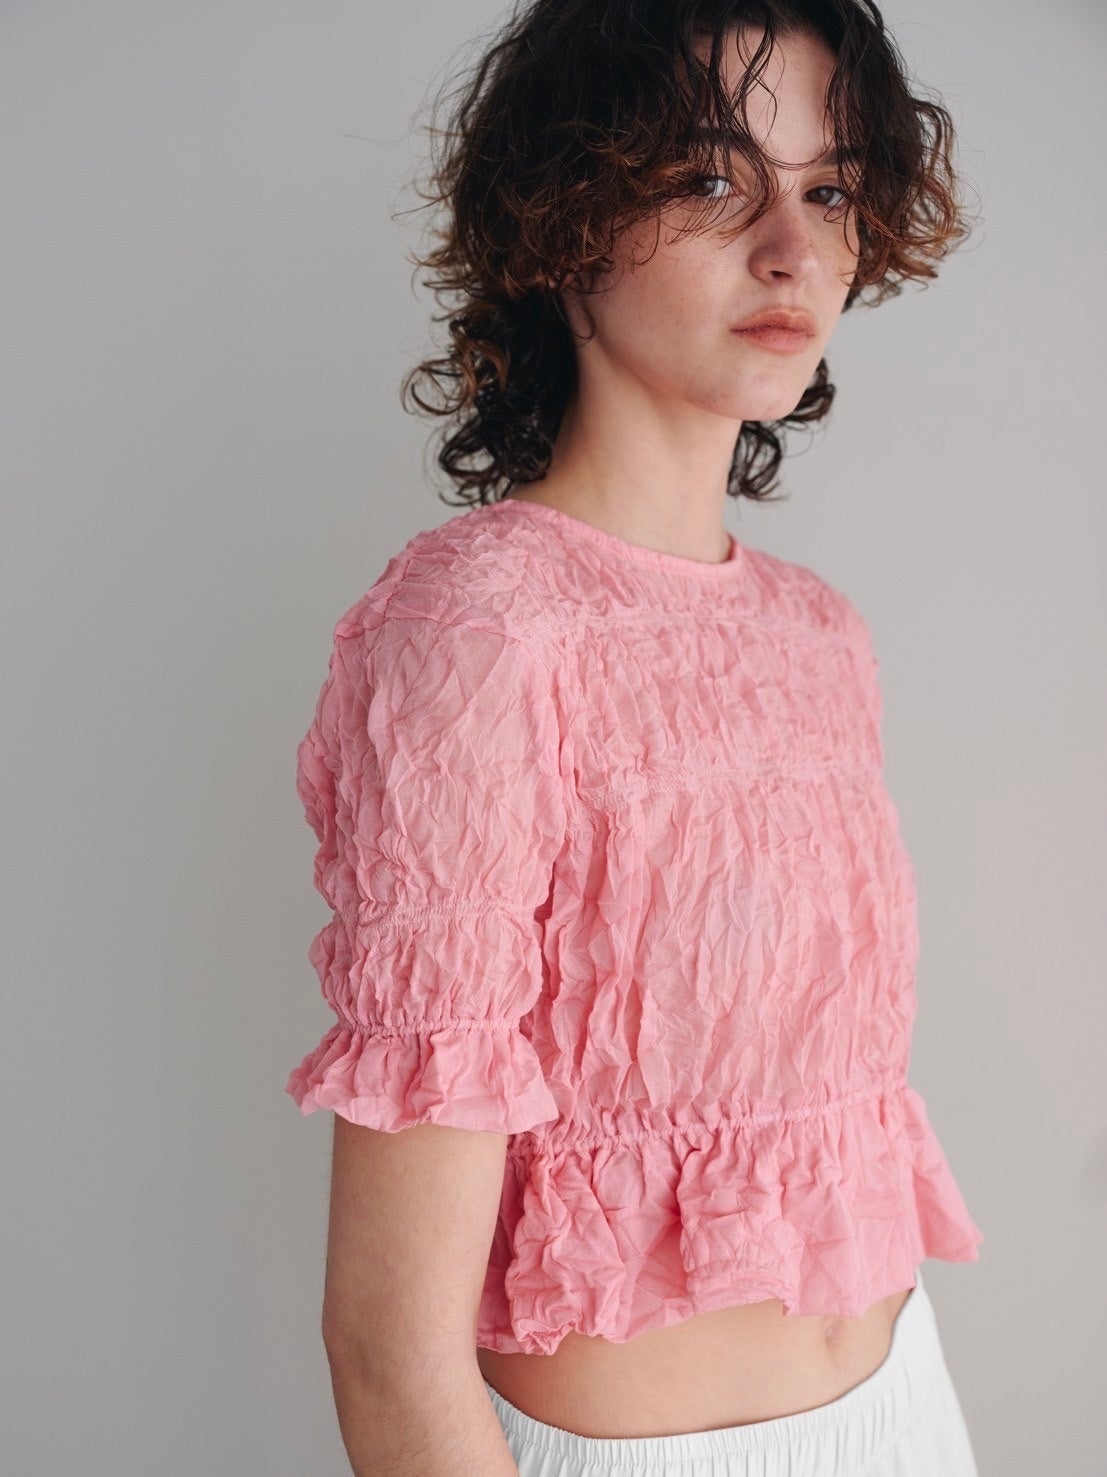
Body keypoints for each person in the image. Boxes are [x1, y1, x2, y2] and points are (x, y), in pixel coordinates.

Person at [285, 1, 985, 1473]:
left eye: (830, 190)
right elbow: (388, 1350)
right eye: (712, 179)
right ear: (564, 221)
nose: (792, 249)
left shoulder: (819, 632)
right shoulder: (481, 627)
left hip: (909, 1414)